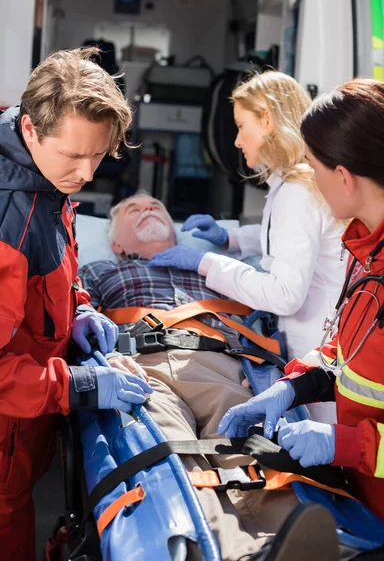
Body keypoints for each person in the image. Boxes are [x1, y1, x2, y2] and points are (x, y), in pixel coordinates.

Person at [79, 191, 339, 561]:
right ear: (116, 244)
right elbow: (76, 312)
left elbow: (265, 307)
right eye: (133, 209)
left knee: (247, 446)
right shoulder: (99, 271)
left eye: (155, 207)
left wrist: (261, 367)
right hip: (139, 366)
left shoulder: (211, 267)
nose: (148, 209)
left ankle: (285, 539)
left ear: (173, 231)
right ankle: (222, 549)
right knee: (168, 450)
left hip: (217, 360)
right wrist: (101, 358)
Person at [0, 48, 152, 561]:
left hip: (17, 438)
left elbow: (48, 275)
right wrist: (78, 385)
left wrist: (77, 309)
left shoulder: (41, 179)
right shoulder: (2, 220)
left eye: (98, 155)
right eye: (73, 156)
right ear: (31, 129)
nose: (85, 172)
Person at [218, 78, 384, 525]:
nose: (308, 178)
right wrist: (294, 385)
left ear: (345, 178)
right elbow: (345, 351)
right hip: (363, 498)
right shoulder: (365, 251)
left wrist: (344, 444)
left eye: (313, 166)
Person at [150, 71, 346, 363]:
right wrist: (232, 238)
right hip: (314, 342)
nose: (238, 141)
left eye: (242, 126)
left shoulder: (296, 193)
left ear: (267, 120)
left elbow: (284, 295)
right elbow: (292, 236)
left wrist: (207, 263)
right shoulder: (295, 184)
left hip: (316, 347)